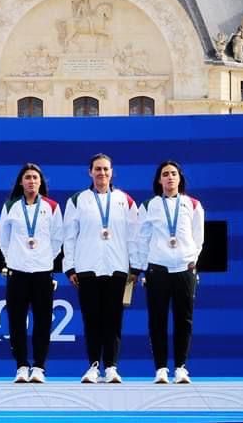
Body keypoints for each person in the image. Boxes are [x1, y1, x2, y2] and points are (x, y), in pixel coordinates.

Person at [63, 153, 142, 384]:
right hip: (87, 267)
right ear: (90, 172)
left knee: (114, 319)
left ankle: (111, 367)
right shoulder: (77, 200)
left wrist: (135, 267)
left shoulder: (125, 200)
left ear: (112, 172)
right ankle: (93, 366)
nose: (102, 173)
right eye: (97, 169)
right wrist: (70, 267)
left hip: (117, 267)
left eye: (106, 169)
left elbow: (134, 236)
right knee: (91, 319)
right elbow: (69, 237)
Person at [136, 160, 204, 384]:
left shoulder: (193, 204)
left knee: (184, 320)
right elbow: (142, 239)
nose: (170, 177)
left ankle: (181, 368)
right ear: (159, 180)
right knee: (157, 320)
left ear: (180, 178)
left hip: (184, 269)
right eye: (165, 174)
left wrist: (191, 261)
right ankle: (161, 369)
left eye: (174, 173)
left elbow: (198, 238)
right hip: (158, 269)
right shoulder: (149, 205)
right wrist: (145, 267)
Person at [0, 163, 63, 383]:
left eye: (35, 177)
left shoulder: (52, 207)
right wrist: (13, 259)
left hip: (43, 271)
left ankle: (39, 367)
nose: (31, 181)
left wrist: (45, 258)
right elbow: (3, 238)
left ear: (41, 182)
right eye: (27, 177)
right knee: (16, 321)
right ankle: (22, 366)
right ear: (20, 182)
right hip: (17, 271)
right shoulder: (11, 206)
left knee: (43, 321)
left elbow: (57, 239)